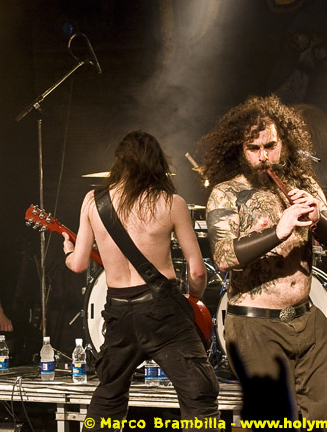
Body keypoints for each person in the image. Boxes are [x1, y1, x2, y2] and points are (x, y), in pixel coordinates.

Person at [201, 95, 327, 429]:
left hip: (307, 322)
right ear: (239, 150)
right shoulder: (226, 193)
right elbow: (223, 256)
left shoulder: (305, 185)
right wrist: (279, 230)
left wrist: (319, 218)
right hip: (256, 327)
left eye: (270, 146)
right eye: (253, 148)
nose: (264, 156)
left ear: (284, 143)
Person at [62, 131, 220, 431]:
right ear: (157, 164)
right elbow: (198, 271)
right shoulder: (172, 203)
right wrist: (193, 300)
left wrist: (68, 251)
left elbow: (79, 264)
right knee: (199, 399)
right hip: (163, 311)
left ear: (119, 163)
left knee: (108, 396)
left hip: (119, 311)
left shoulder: (93, 202)